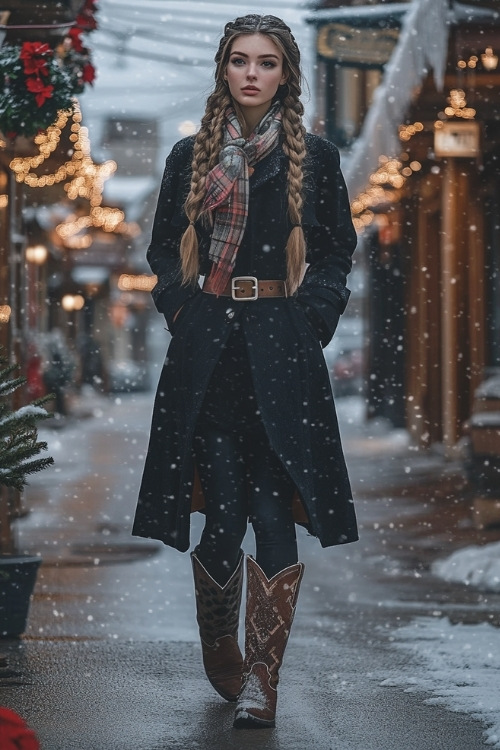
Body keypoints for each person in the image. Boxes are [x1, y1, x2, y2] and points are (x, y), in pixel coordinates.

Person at [133, 14, 359, 730]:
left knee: (272, 511)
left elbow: (334, 253)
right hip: (210, 358)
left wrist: (312, 317)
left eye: (266, 61)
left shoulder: (314, 160)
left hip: (283, 354)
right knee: (224, 512)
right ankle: (216, 642)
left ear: (285, 72)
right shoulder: (188, 157)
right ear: (224, 70)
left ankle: (264, 677)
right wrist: (182, 308)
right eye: (240, 60)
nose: (252, 72)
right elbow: (166, 249)